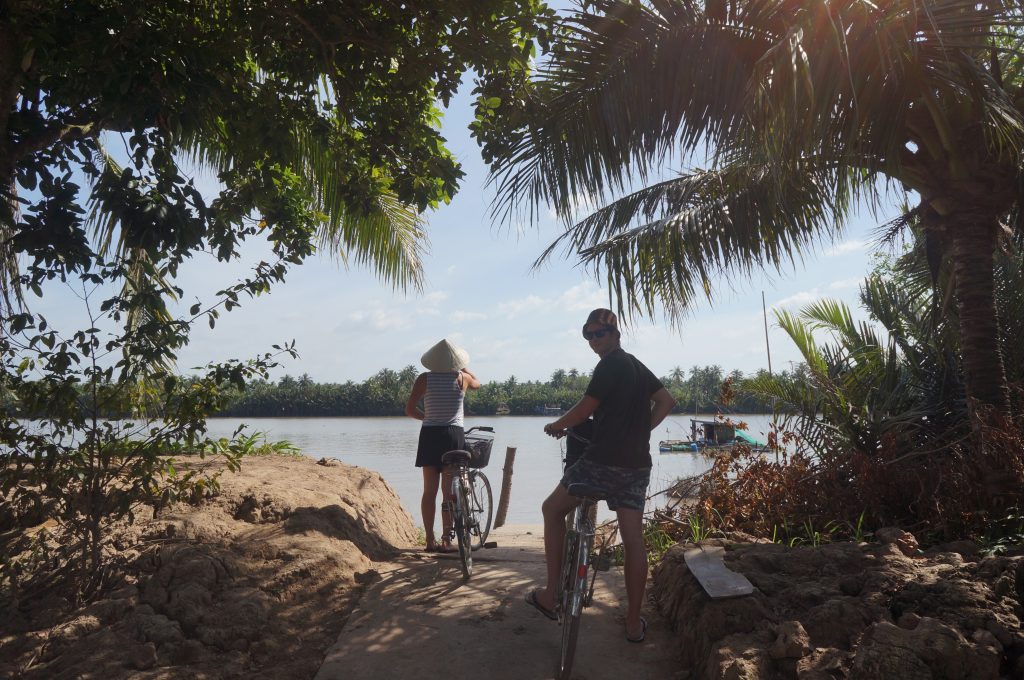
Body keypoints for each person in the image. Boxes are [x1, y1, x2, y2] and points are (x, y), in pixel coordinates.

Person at [525, 309, 676, 643]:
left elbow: (584, 409)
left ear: (615, 333)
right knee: (633, 539)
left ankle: (551, 595)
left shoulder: (610, 364)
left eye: (600, 334)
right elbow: (666, 400)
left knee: (552, 510)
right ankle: (634, 624)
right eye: (588, 335)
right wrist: (641, 432)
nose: (594, 341)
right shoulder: (636, 366)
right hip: (637, 465)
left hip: (601, 463)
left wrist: (556, 424)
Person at [405, 339, 481, 553]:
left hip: (430, 435)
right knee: (449, 493)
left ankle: (430, 541)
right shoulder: (462, 378)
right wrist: (463, 367)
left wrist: (428, 419)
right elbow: (478, 383)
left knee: (429, 491)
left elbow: (410, 410)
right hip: (453, 436)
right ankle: (447, 539)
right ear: (455, 362)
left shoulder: (424, 379)